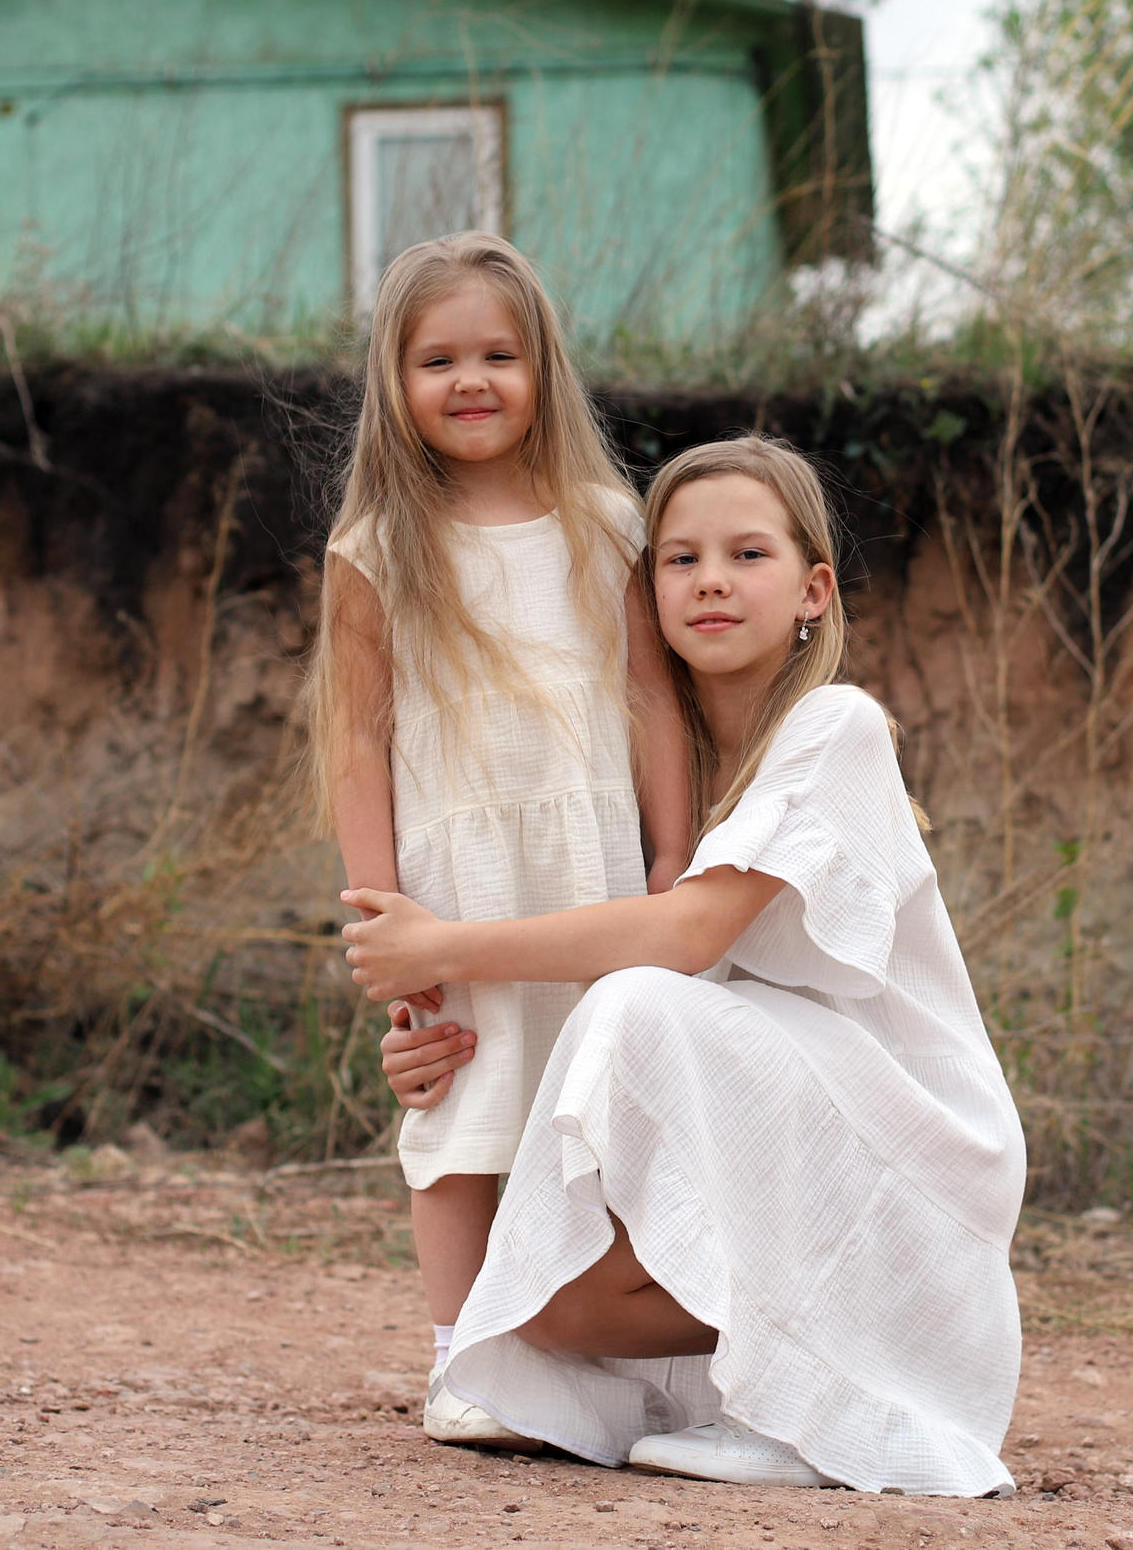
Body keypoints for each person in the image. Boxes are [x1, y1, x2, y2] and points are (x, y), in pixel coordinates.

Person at [345, 436, 1026, 1497]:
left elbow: (685, 936)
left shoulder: (837, 726)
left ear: (813, 591)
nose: (711, 579)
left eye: (748, 555)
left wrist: (442, 948)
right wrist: (435, 1030)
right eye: (680, 558)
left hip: (901, 1143)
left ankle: (854, 1365)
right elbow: (583, 951)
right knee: (550, 1311)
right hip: (770, 1129)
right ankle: (810, 1368)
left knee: (638, 1002)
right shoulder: (652, 774)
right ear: (645, 589)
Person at [308, 231, 693, 1449]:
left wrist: (670, 857)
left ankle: (595, 1359)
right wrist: (382, 913)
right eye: (437, 360)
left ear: (542, 370)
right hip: (455, 884)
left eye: (498, 355)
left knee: (595, 1108)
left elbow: (649, 698)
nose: (470, 380)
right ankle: (460, 1362)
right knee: (462, 1105)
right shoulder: (376, 550)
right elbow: (357, 741)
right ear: (395, 381)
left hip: (590, 871)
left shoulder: (605, 523)